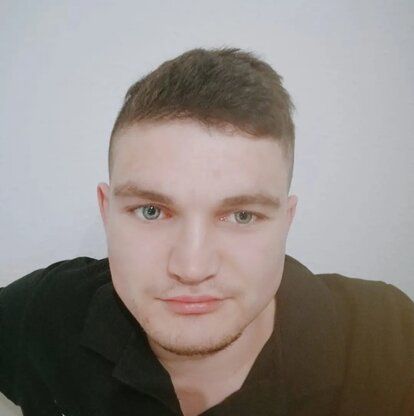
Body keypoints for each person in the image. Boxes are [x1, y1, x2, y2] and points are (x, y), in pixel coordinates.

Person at [0, 47, 413, 416]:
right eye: (151, 211)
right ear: (106, 212)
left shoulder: (388, 339)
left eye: (242, 216)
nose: (192, 268)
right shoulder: (45, 313)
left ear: (287, 220)